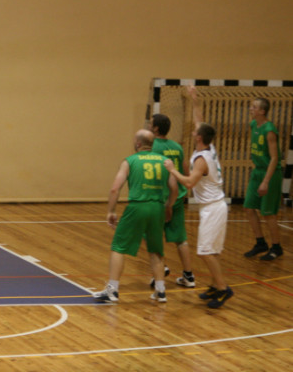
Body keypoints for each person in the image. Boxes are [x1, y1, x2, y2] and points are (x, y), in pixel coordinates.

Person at [164, 87, 233, 308]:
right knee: (211, 251)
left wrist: (172, 170)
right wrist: (194, 101)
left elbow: (189, 183)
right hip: (214, 206)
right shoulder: (209, 147)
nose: (193, 132)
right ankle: (215, 284)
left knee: (205, 251)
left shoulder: (202, 159)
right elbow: (199, 121)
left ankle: (223, 289)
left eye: (195, 132)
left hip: (212, 208)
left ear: (200, 137)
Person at [93, 129, 178, 304]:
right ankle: (161, 291)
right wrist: (169, 206)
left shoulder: (130, 161)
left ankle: (112, 290)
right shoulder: (164, 161)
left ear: (138, 143)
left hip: (137, 206)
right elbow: (174, 188)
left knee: (118, 246)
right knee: (156, 249)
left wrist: (111, 211)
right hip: (157, 208)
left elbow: (115, 189)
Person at [150, 113, 196, 288]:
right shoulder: (177, 146)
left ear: (156, 128)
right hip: (177, 196)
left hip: (160, 197)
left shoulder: (152, 146)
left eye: (151, 123)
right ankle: (189, 276)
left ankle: (160, 269)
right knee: (180, 238)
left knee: (150, 235)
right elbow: (185, 170)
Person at [243, 96, 283, 261]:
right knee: (249, 207)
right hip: (257, 171)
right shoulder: (254, 124)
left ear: (262, 111)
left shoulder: (269, 130)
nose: (250, 109)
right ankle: (260, 243)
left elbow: (274, 158)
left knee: (268, 213)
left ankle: (276, 247)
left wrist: (266, 181)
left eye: (254, 107)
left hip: (270, 173)